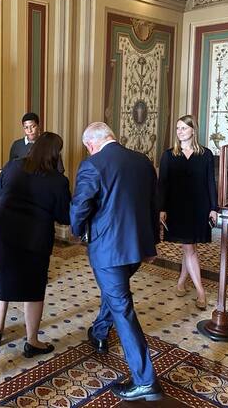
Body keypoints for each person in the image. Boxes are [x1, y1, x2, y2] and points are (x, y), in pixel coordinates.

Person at [70, 122, 162, 402]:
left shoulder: (92, 164)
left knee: (123, 308)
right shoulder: (142, 161)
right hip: (137, 246)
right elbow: (153, 204)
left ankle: (145, 380)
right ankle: (100, 331)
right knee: (114, 293)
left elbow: (80, 206)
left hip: (108, 249)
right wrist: (152, 242)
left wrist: (77, 230)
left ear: (91, 144)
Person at [0, 132, 70, 357]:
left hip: (1, 232)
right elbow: (64, 216)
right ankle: (32, 341)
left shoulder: (13, 166)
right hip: (34, 239)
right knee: (33, 288)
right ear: (56, 153)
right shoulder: (58, 180)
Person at [158, 115, 217, 311]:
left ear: (193, 130)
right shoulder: (169, 155)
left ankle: (181, 282)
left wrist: (213, 208)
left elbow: (210, 182)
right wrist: (161, 208)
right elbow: (162, 184)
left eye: (184, 128)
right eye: (178, 128)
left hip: (200, 206)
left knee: (189, 247)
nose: (180, 131)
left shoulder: (206, 154)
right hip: (177, 207)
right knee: (189, 247)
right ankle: (201, 292)